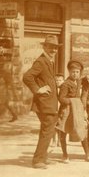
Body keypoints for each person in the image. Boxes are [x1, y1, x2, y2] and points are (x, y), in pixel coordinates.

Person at [23, 35, 61, 169]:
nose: (54, 50)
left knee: (47, 131)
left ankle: (42, 157)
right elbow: (27, 77)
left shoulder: (49, 61)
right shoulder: (41, 61)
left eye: (55, 48)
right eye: (51, 47)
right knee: (47, 130)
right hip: (44, 104)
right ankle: (38, 160)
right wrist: (38, 89)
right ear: (44, 47)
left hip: (49, 103)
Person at [56, 60, 89, 163]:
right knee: (63, 131)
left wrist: (87, 76)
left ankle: (88, 154)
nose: (75, 74)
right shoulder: (66, 84)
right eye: (73, 72)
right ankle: (65, 155)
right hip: (67, 110)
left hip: (77, 110)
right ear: (69, 72)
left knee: (81, 131)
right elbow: (61, 98)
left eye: (77, 72)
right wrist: (73, 101)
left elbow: (84, 79)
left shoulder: (79, 81)